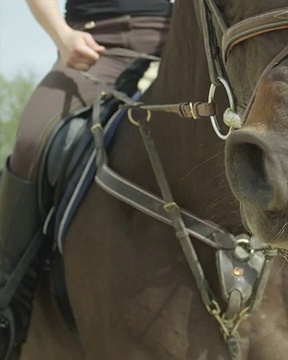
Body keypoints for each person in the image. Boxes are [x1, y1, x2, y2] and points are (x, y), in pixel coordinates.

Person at [0, 0, 172, 356]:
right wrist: (63, 37)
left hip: (181, 42)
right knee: (32, 141)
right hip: (94, 45)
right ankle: (8, 304)